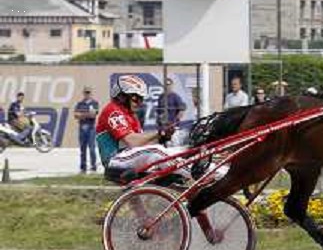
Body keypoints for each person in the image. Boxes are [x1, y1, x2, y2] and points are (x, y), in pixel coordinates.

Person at [96, 74, 227, 185]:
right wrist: (159, 132)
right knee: (156, 151)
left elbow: (142, 146)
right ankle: (200, 176)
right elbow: (132, 142)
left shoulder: (130, 115)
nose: (140, 102)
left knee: (185, 151)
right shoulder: (113, 111)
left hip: (128, 156)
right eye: (136, 98)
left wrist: (163, 137)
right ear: (122, 96)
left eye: (141, 99)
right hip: (115, 161)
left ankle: (221, 172)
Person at [74, 86, 99, 173]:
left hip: (91, 128)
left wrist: (82, 115)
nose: (87, 94)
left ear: (91, 93)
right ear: (83, 93)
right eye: (86, 92)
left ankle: (93, 166)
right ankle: (83, 167)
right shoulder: (80, 104)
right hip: (82, 128)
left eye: (88, 92)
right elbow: (76, 115)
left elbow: (93, 115)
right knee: (82, 149)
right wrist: (87, 114)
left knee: (92, 149)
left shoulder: (94, 103)